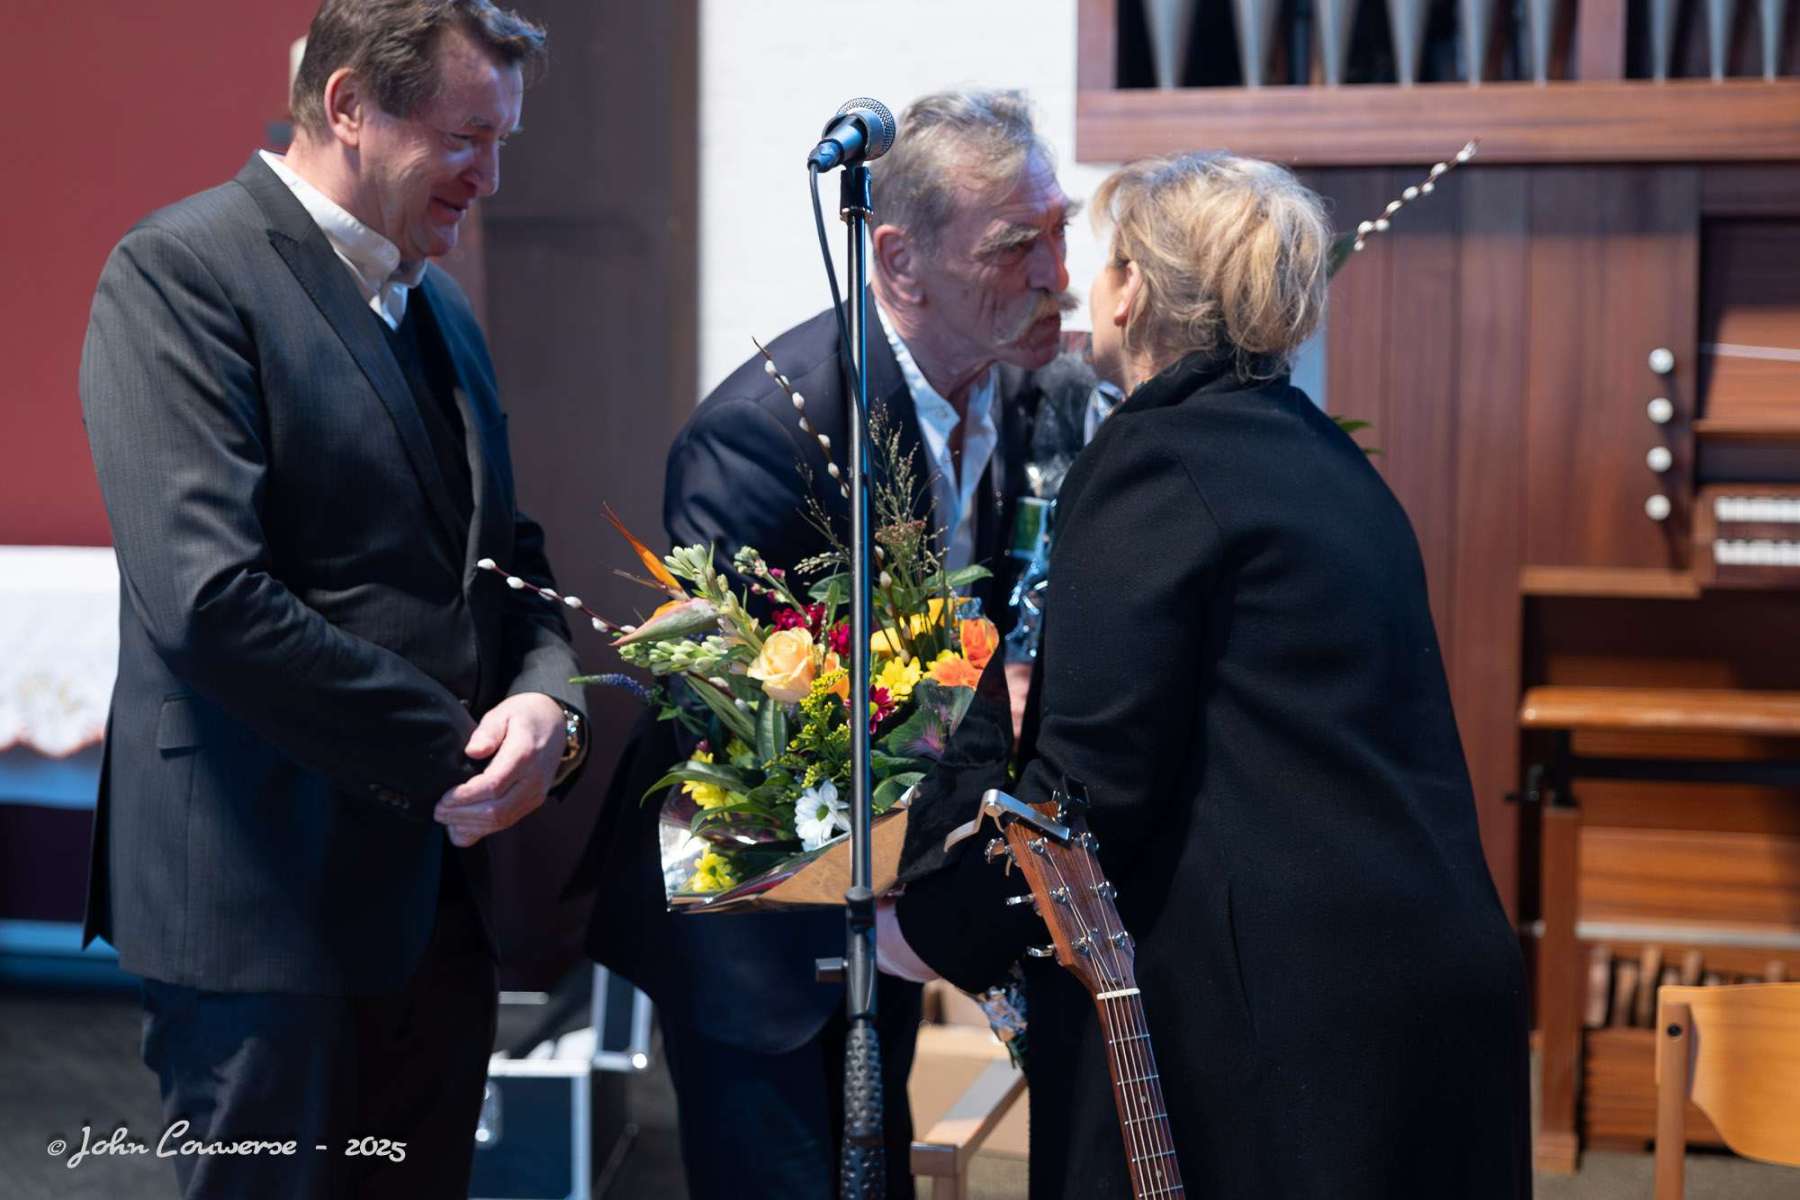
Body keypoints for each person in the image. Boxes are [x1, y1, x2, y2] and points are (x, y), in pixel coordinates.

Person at [890, 153, 1532, 1198]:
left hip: (1298, 1014)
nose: (1080, 284)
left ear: (1135, 289)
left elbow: (1086, 799)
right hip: (1418, 974)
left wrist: (925, 921)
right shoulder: (1317, 452)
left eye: (1102, 261)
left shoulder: (1156, 461)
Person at [78, 3, 585, 1196]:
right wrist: (460, 751)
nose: (490, 177)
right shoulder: (181, 271)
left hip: (432, 908)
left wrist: (548, 705)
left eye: (502, 141)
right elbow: (209, 600)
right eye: (467, 136)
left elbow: (505, 557)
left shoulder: (440, 306)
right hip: (262, 903)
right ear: (351, 105)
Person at [581, 89, 1087, 1198]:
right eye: (1016, 245)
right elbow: (727, 713)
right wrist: (964, 714)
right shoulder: (768, 429)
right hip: (753, 915)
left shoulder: (1022, 391)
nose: (1058, 271)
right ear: (898, 261)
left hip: (894, 882)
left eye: (1061, 232)